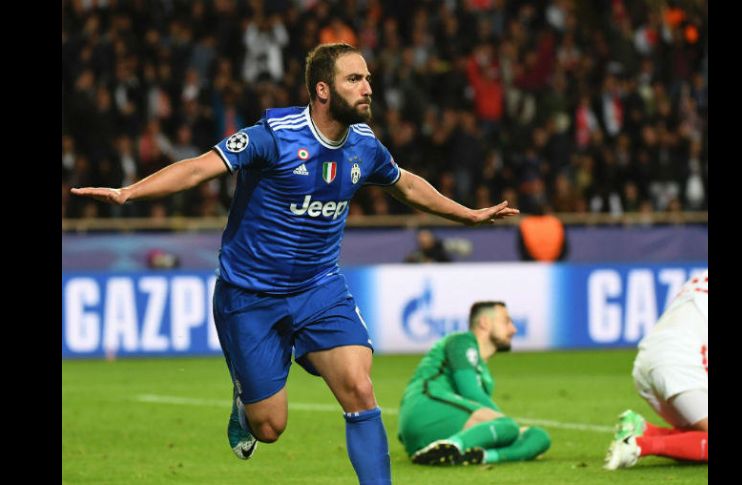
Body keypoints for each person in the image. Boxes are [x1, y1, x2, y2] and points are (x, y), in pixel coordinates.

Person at [70, 43, 519, 485]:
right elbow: (197, 168)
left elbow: (408, 186)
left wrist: (469, 214)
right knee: (270, 428)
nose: (367, 88)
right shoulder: (274, 136)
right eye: (354, 79)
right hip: (249, 295)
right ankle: (248, 399)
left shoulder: (364, 146)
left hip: (319, 287)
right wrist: (128, 193)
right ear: (323, 90)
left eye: (367, 79)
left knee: (360, 388)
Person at [398, 301, 551, 466]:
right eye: (506, 321)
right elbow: (470, 392)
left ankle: (482, 456)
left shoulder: (483, 374)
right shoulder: (462, 342)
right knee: (509, 428)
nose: (513, 329)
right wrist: (506, 427)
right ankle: (454, 446)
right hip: (425, 407)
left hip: (438, 430)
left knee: (539, 436)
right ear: (485, 322)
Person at [604, 270, 708, 470]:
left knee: (698, 437)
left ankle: (644, 431)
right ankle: (638, 446)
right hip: (682, 363)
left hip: (647, 361)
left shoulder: (701, 276)